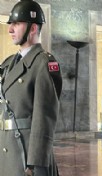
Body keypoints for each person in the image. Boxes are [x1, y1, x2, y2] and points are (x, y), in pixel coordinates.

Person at [0, 1, 62, 176]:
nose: (10, 29)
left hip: (27, 156)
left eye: (16, 24)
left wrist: (35, 164)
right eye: (10, 24)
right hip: (7, 152)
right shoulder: (8, 64)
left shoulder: (44, 63)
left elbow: (45, 117)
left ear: (33, 28)